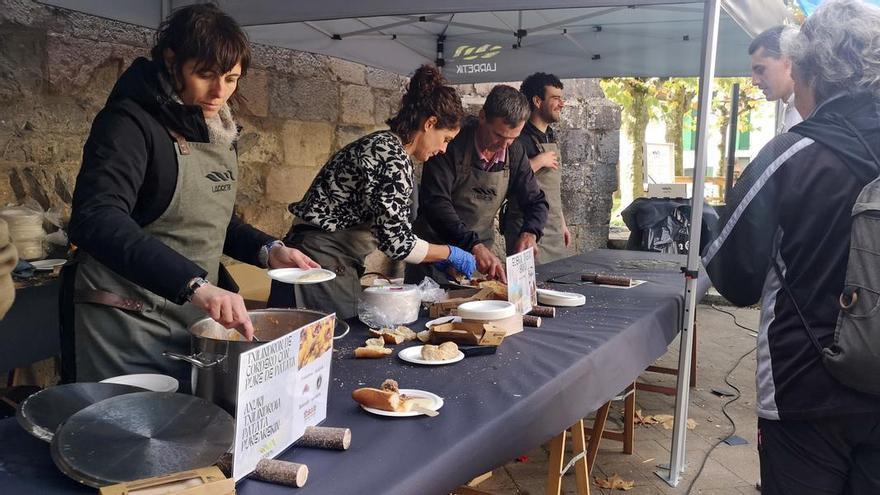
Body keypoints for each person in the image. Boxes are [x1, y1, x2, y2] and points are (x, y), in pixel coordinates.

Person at [67, 4, 317, 383]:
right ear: (172, 61)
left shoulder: (217, 130)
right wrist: (195, 285)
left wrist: (269, 250)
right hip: (128, 320)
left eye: (232, 79)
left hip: (192, 316)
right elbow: (96, 219)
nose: (220, 92)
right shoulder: (128, 123)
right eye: (205, 75)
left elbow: (213, 221)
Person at [703, 1, 880, 492]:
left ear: (810, 72)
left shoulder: (792, 154)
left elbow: (736, 280)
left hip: (804, 383)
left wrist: (703, 224)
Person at [267, 65, 476, 319]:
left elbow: (393, 230)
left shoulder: (387, 147)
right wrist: (449, 253)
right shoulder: (391, 157)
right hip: (319, 262)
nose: (444, 149)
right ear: (430, 123)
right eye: (446, 139)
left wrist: (434, 257)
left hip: (326, 259)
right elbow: (396, 243)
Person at [406, 85, 549, 284]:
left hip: (479, 259)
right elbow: (436, 203)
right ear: (482, 117)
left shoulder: (514, 152)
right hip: (434, 255)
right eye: (499, 135)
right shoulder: (449, 144)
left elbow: (536, 201)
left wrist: (531, 232)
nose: (504, 145)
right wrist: (472, 245)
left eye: (513, 138)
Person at [502, 72, 572, 264]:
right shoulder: (516, 138)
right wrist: (538, 162)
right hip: (525, 228)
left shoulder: (551, 135)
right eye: (556, 98)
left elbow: (554, 190)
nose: (562, 104)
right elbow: (505, 179)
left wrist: (562, 224)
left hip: (554, 227)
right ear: (537, 101)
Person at [750, 25, 802, 133]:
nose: (754, 81)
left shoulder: (806, 113)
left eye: (760, 70)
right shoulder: (793, 108)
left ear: (788, 61)